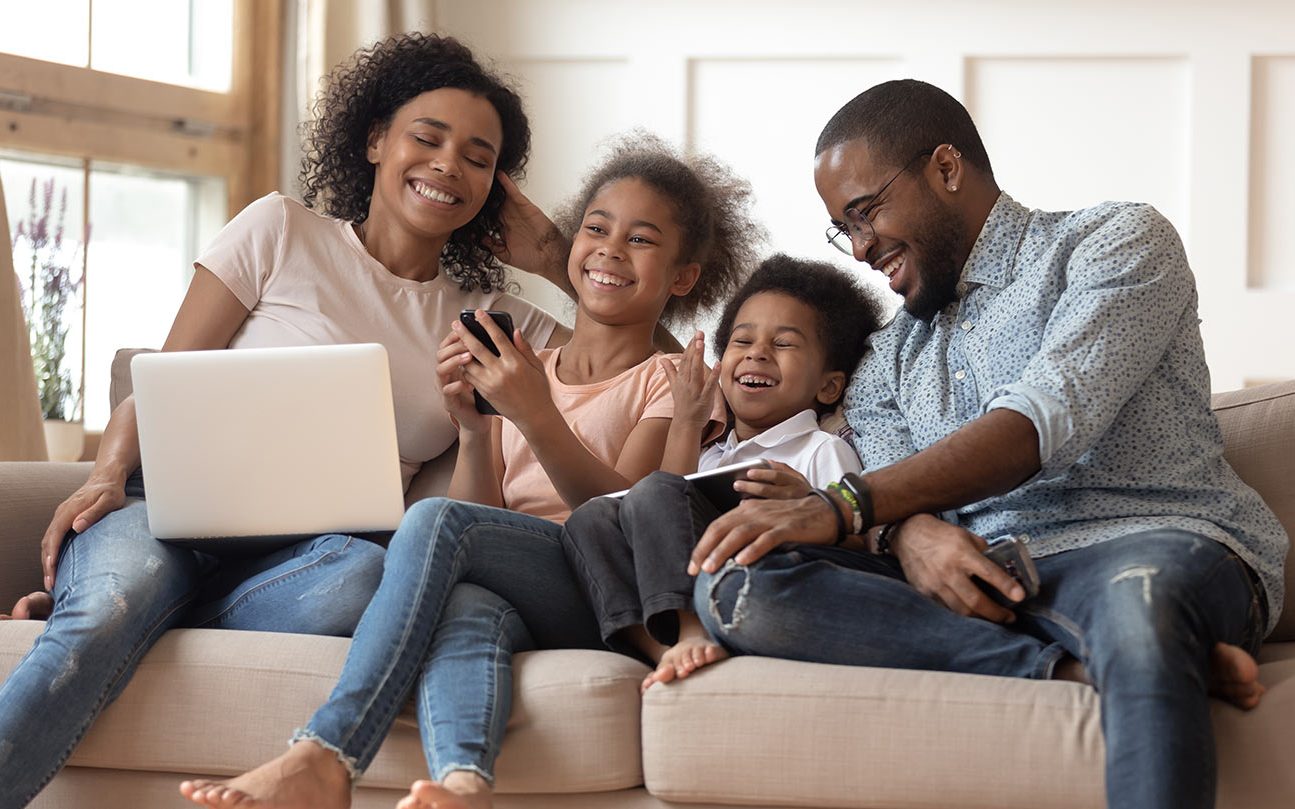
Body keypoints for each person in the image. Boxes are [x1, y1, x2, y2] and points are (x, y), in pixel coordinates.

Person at [0, 32, 576, 808]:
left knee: (369, 574)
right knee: (103, 613)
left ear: (494, 188)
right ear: (374, 140)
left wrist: (556, 259)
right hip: (163, 520)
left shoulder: (491, 319)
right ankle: (116, 600)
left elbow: (663, 371)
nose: (449, 165)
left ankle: (151, 608)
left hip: (313, 563)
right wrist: (105, 474)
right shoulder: (278, 230)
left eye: (478, 157)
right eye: (427, 137)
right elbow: (155, 383)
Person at [685, 79, 1288, 809]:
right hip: (977, 580)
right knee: (737, 585)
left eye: (865, 212)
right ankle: (1092, 663)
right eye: (841, 229)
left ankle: (1146, 646)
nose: (859, 247)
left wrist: (843, 506)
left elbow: (1036, 424)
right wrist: (908, 533)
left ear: (945, 168)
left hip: (1147, 542)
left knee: (1141, 606)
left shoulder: (1114, 243)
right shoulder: (884, 359)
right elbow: (891, 483)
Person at [177, 133, 761, 809]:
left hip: (601, 586)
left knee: (433, 520)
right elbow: (484, 511)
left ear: (682, 277)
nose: (608, 249)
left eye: (640, 240)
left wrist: (537, 416)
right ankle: (463, 784)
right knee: (466, 607)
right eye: (596, 229)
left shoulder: (667, 379)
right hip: (527, 577)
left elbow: (623, 512)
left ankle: (325, 752)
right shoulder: (526, 364)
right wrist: (476, 430)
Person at [561, 254, 883, 693]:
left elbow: (859, 545)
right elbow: (657, 514)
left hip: (757, 583)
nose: (757, 354)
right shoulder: (711, 454)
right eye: (741, 341)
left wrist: (810, 503)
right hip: (688, 575)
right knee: (591, 516)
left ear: (828, 386)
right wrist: (688, 423)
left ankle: (694, 631)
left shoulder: (821, 448)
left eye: (784, 344)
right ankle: (662, 648)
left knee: (656, 489)